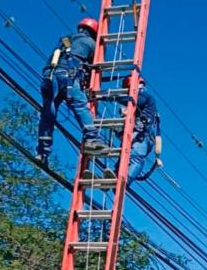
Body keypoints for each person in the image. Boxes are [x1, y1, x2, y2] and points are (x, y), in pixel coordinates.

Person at [36, 18, 108, 165]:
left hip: (49, 77)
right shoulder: (91, 43)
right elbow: (92, 67)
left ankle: (42, 152)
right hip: (68, 78)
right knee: (80, 106)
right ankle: (92, 139)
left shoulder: (65, 40)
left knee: (48, 114)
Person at [114, 76, 162, 185]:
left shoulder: (144, 96)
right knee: (124, 158)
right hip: (137, 135)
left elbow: (133, 100)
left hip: (142, 135)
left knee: (135, 158)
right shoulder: (140, 103)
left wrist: (111, 96)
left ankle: (123, 181)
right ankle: (115, 176)